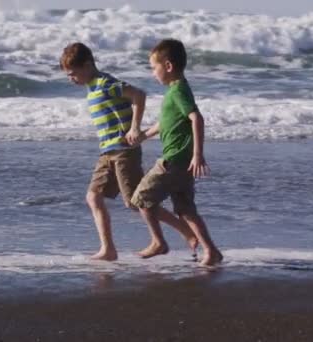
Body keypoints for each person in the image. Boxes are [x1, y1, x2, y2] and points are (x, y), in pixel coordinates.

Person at [59, 42, 198, 261]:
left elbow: (138, 95)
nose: (71, 79)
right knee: (93, 196)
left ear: (87, 65)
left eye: (73, 74)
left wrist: (135, 127)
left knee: (136, 201)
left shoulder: (105, 83)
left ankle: (181, 232)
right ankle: (108, 249)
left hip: (124, 150)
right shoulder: (92, 87)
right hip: (107, 151)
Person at [131, 39, 223, 266]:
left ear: (168, 66)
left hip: (173, 161)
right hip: (183, 164)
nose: (153, 73)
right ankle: (211, 251)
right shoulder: (177, 90)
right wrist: (143, 135)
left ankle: (158, 242)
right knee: (185, 210)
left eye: (154, 67)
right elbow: (165, 122)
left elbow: (196, 118)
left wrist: (198, 154)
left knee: (141, 198)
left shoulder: (178, 91)